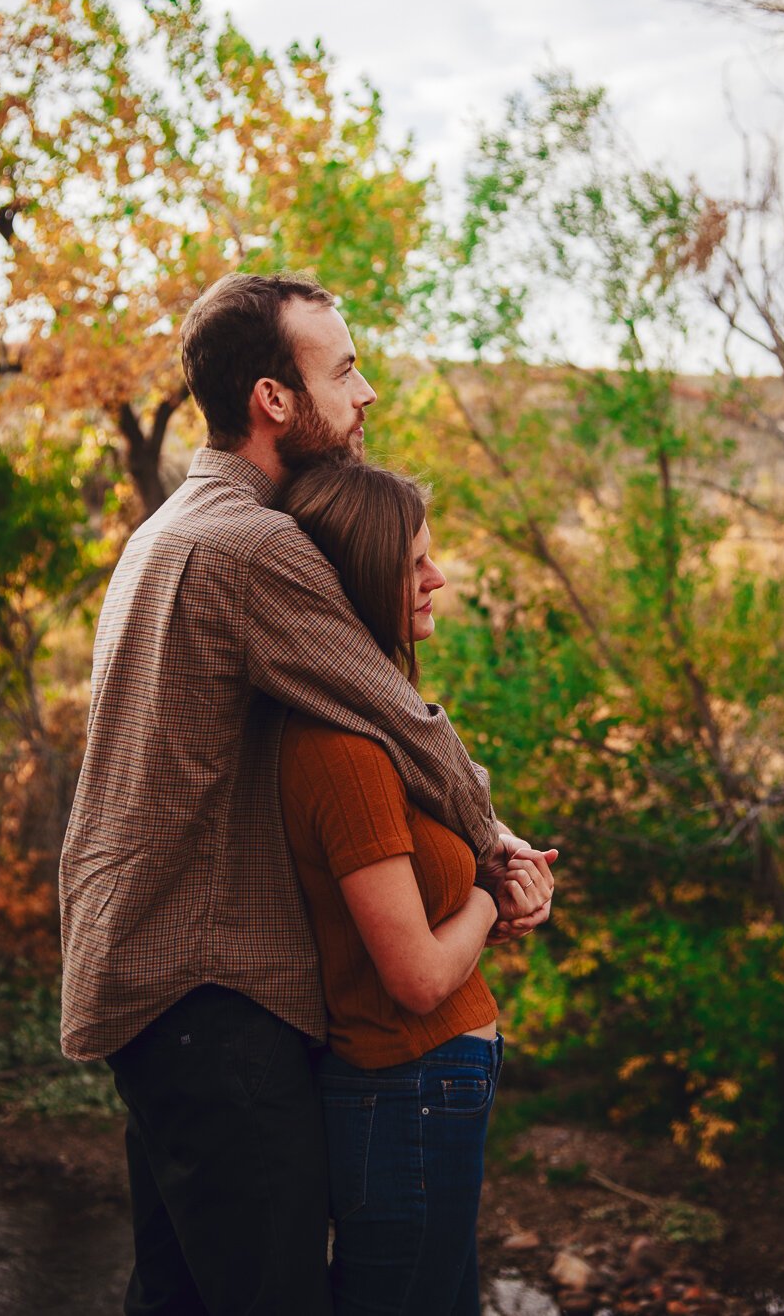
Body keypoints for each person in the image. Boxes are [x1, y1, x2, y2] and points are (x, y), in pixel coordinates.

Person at [58, 271, 552, 1316]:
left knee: (184, 1297)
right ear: (272, 399)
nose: (365, 392)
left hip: (149, 990)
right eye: (342, 369)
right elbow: (396, 711)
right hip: (214, 996)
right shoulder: (253, 546)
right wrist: (497, 847)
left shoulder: (165, 531)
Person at [280, 461, 557, 1316]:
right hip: (407, 1089)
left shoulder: (380, 726)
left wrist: (497, 891)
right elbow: (417, 978)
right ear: (360, 580)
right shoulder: (346, 753)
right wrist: (482, 890)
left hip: (426, 1090)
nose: (436, 578)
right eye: (413, 564)